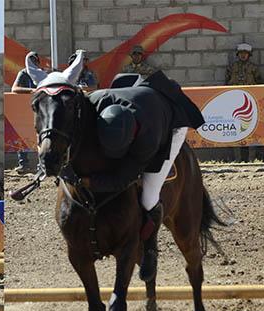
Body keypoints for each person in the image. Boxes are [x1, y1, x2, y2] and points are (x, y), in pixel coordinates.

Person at [82, 68, 204, 281]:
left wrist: (90, 181)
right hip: (136, 101)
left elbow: (124, 178)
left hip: (172, 123)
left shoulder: (149, 139)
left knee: (149, 196)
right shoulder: (93, 102)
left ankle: (149, 248)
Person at [11, 51, 43, 174]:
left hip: (40, 110)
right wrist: (32, 90)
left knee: (40, 136)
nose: (33, 63)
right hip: (24, 110)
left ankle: (41, 165)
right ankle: (23, 164)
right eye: (30, 60)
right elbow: (15, 89)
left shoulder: (41, 74)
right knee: (22, 136)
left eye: (35, 60)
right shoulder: (23, 73)